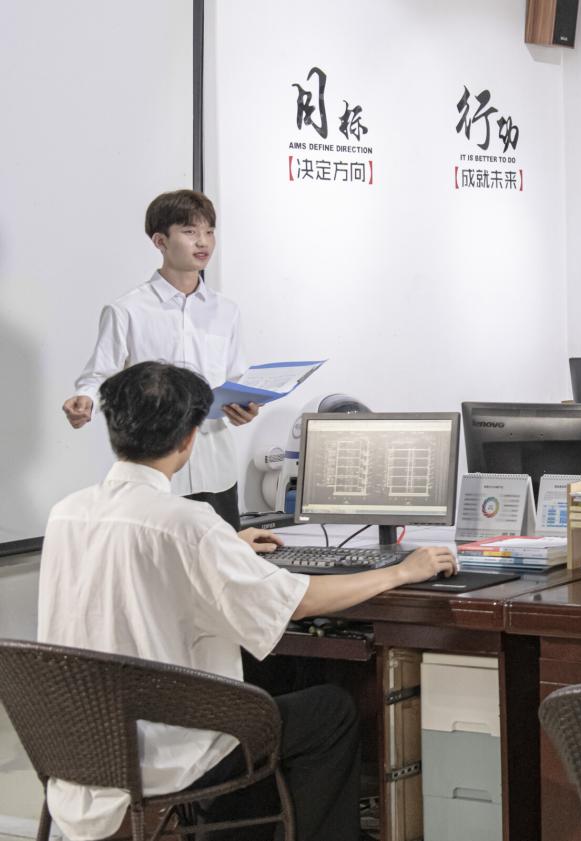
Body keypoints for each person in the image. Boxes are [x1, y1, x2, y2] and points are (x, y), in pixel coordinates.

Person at [39, 362, 457, 841]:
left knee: (270, 679)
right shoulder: (188, 524)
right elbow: (299, 602)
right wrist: (402, 571)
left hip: (81, 748)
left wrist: (227, 547)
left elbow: (128, 570)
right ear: (189, 439)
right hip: (168, 752)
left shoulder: (66, 513)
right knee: (331, 710)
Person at [62, 189, 255, 529]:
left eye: (209, 231)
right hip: (155, 469)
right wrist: (84, 399)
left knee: (224, 557)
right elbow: (99, 374)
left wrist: (246, 407)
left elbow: (235, 377)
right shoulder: (127, 310)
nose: (203, 242)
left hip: (216, 467)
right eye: (190, 231)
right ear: (160, 241)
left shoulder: (226, 311)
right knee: (158, 560)